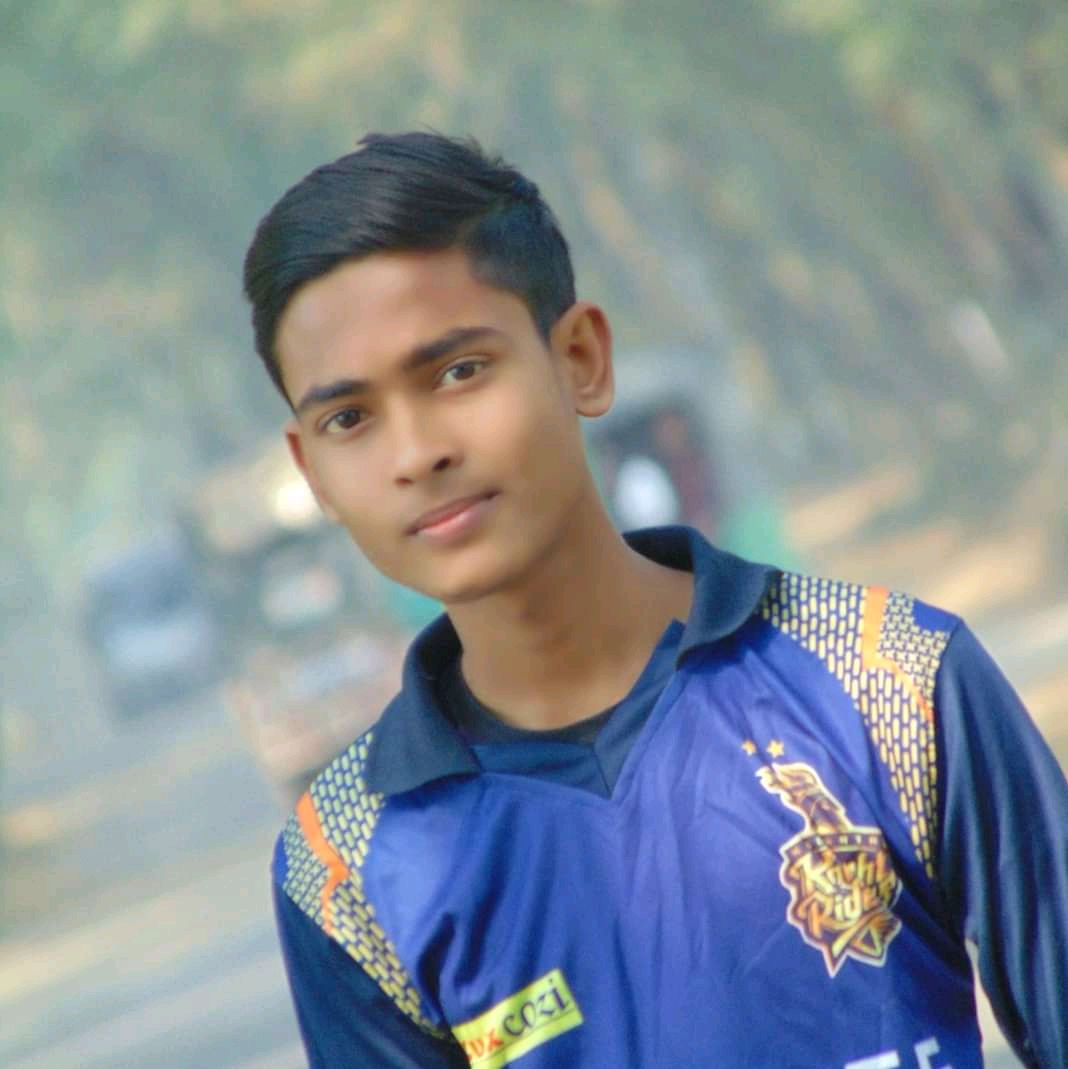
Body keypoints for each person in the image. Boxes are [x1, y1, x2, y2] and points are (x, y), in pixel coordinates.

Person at [242, 132, 1067, 1069]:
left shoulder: (891, 680)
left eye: (459, 370)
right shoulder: (344, 871)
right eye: (350, 417)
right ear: (312, 469)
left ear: (581, 358)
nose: (416, 452)